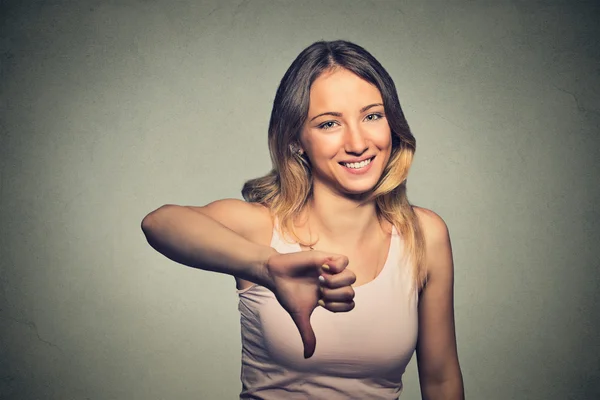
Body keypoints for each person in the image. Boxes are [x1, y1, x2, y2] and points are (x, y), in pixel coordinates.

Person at [141, 40, 464, 399]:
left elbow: (441, 380)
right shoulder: (262, 228)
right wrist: (269, 267)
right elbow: (159, 223)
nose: (357, 143)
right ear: (296, 140)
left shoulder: (424, 234)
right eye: (329, 124)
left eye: (372, 116)